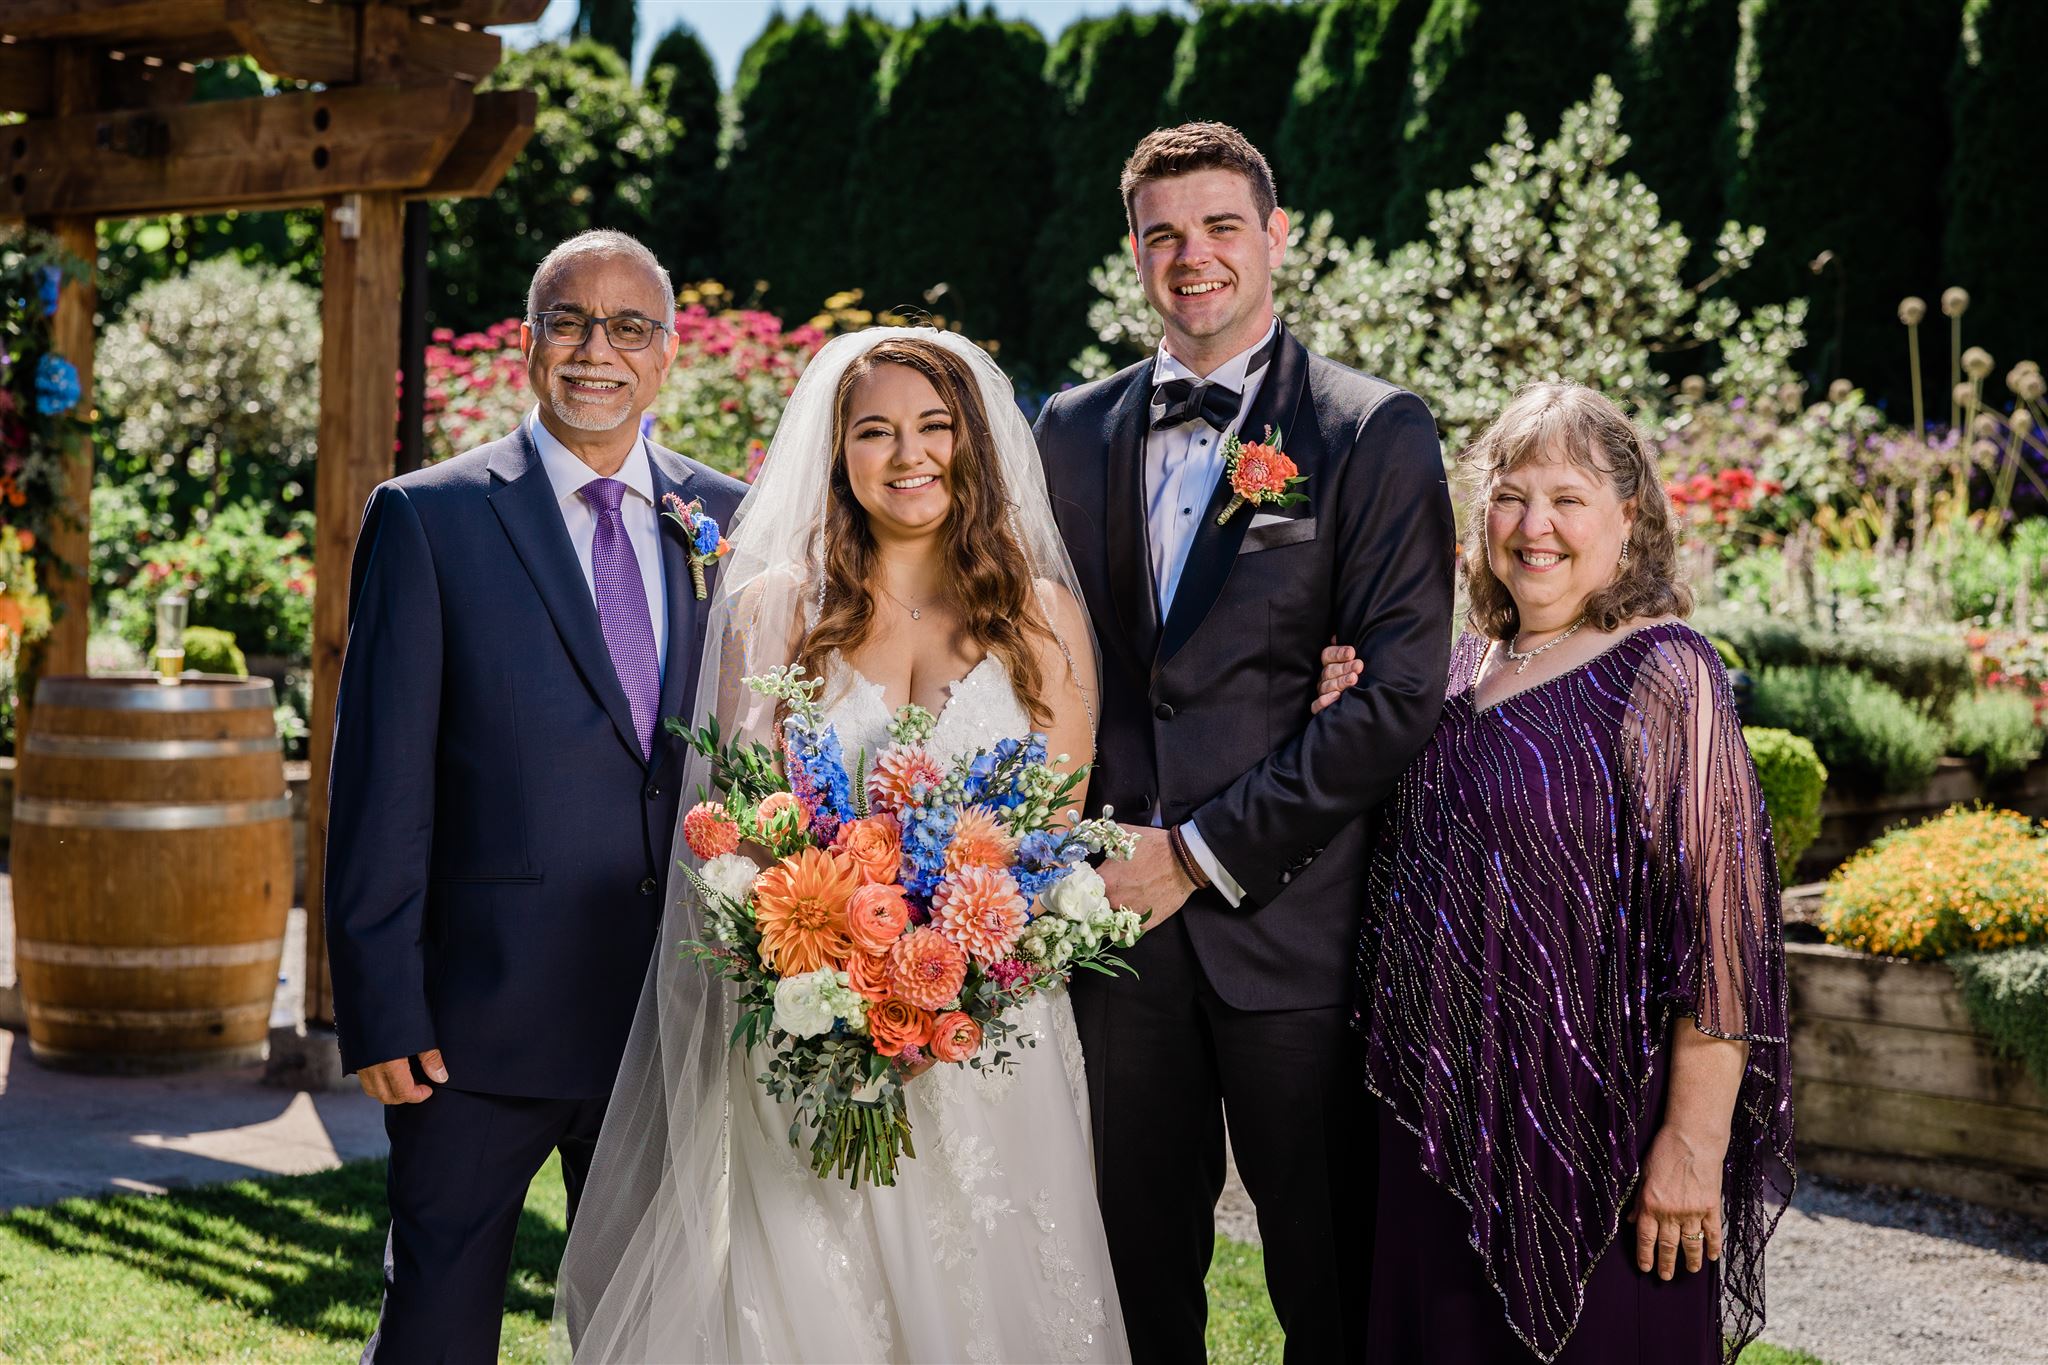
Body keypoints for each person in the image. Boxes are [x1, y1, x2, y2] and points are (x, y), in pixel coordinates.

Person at [554, 330, 1129, 1362]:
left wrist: (951, 975)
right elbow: (742, 830)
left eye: (934, 427)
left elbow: (1054, 828)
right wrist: (838, 978)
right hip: (807, 1033)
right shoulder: (775, 610)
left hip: (986, 1039)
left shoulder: (1038, 617)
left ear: (972, 443)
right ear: (836, 454)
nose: (908, 454)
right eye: (874, 431)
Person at [1033, 121, 1457, 1362]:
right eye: (1162, 234)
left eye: (1221, 226)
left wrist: (1195, 853)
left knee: (1329, 1283)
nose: (1193, 256)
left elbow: (1394, 695)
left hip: (1295, 932)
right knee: (1129, 1282)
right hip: (1109, 938)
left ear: (1275, 237)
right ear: (1132, 253)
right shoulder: (1067, 429)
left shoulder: (1366, 429)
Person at [324, 229, 747, 1364]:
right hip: (475, 1027)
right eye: (570, 322)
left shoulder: (733, 517)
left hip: (671, 1015)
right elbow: (379, 781)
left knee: (647, 1332)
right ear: (528, 343)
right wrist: (380, 1005)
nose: (597, 351)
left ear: (667, 354)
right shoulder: (430, 517)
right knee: (437, 1325)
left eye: (629, 327)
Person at [1331, 382, 1795, 1363]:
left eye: (1566, 499)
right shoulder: (1457, 666)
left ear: (1628, 518)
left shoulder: (1664, 673)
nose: (1532, 525)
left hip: (1598, 1137)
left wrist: (1692, 1143)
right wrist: (1348, 713)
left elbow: (1726, 929)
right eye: (1509, 496)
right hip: (1436, 1121)